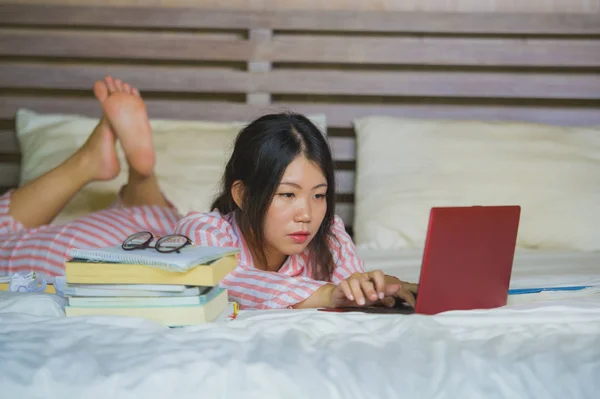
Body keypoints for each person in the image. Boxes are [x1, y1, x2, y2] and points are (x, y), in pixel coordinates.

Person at [0, 76, 417, 310]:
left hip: (165, 234)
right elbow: (229, 281)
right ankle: (90, 161)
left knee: (157, 217)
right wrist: (326, 294)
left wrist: (381, 287)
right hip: (110, 251)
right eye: (287, 194)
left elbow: (349, 286)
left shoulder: (326, 233)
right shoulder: (203, 231)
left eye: (319, 195)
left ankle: (139, 180)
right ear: (241, 192)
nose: (307, 214)